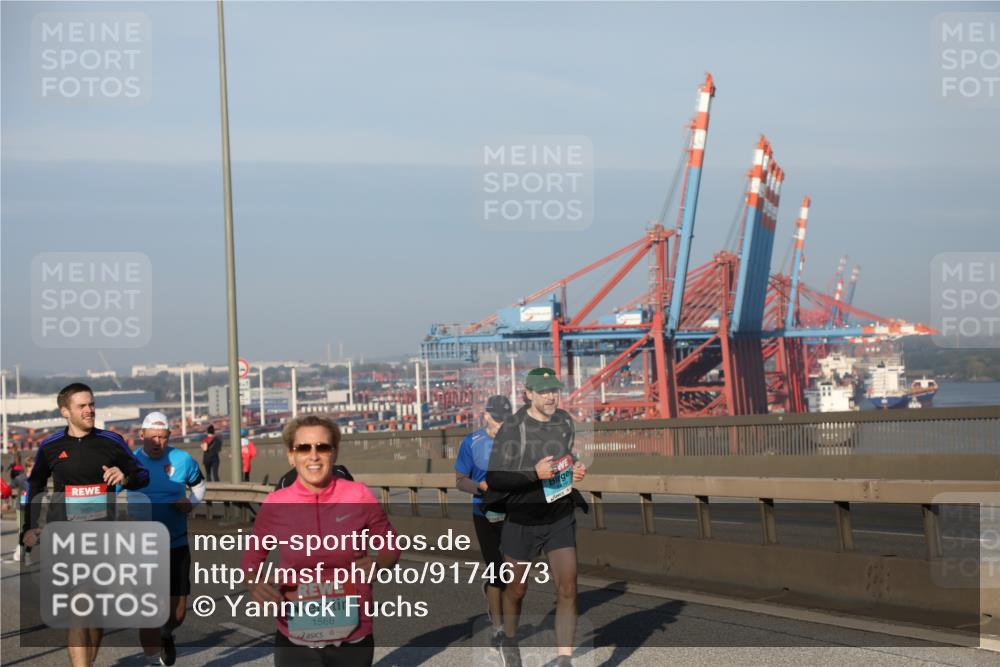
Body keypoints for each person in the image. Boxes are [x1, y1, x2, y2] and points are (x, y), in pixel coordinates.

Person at [242, 415, 400, 667]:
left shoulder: (358, 495)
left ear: (334, 454)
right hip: (295, 633)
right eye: (303, 448)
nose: (313, 455)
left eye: (322, 447)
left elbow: (391, 546)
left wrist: (379, 564)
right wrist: (253, 582)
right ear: (291, 455)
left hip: (353, 632)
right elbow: (252, 558)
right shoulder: (276, 504)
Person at [21, 382, 150, 667]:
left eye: (91, 404)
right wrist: (27, 528)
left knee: (93, 612)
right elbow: (34, 487)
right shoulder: (51, 447)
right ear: (65, 411)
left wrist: (125, 477)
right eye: (82, 406)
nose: (90, 410)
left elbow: (142, 475)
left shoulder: (112, 442)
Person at [486, 368, 587, 667]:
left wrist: (575, 469)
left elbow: (566, 457)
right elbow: (495, 478)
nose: (550, 396)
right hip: (522, 519)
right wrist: (534, 474)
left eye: (553, 390)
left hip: (559, 515)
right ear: (528, 393)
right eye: (543, 391)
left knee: (568, 587)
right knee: (517, 590)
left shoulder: (565, 421)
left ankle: (564, 659)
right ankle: (510, 640)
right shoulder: (513, 427)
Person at [127, 412, 207, 666]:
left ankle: (167, 633)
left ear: (169, 437)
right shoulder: (130, 462)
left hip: (176, 543)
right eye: (152, 437)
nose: (157, 442)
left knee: (179, 612)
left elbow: (199, 485)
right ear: (142, 435)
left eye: (162, 437)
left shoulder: (183, 459)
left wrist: (191, 503)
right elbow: (108, 492)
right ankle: (151, 659)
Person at [454, 395, 512, 650]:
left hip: (514, 512)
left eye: (506, 420)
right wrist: (480, 487)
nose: (501, 425)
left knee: (514, 573)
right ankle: (499, 627)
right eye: (498, 419)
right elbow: (459, 480)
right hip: (484, 512)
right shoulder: (472, 442)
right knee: (498, 571)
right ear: (487, 415)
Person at [9, 459, 32, 562]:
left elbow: (43, 488)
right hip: (21, 507)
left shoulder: (37, 477)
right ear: (27, 467)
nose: (34, 468)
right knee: (22, 531)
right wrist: (12, 475)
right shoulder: (21, 477)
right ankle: (19, 551)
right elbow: (12, 485)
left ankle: (27, 554)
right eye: (31, 466)